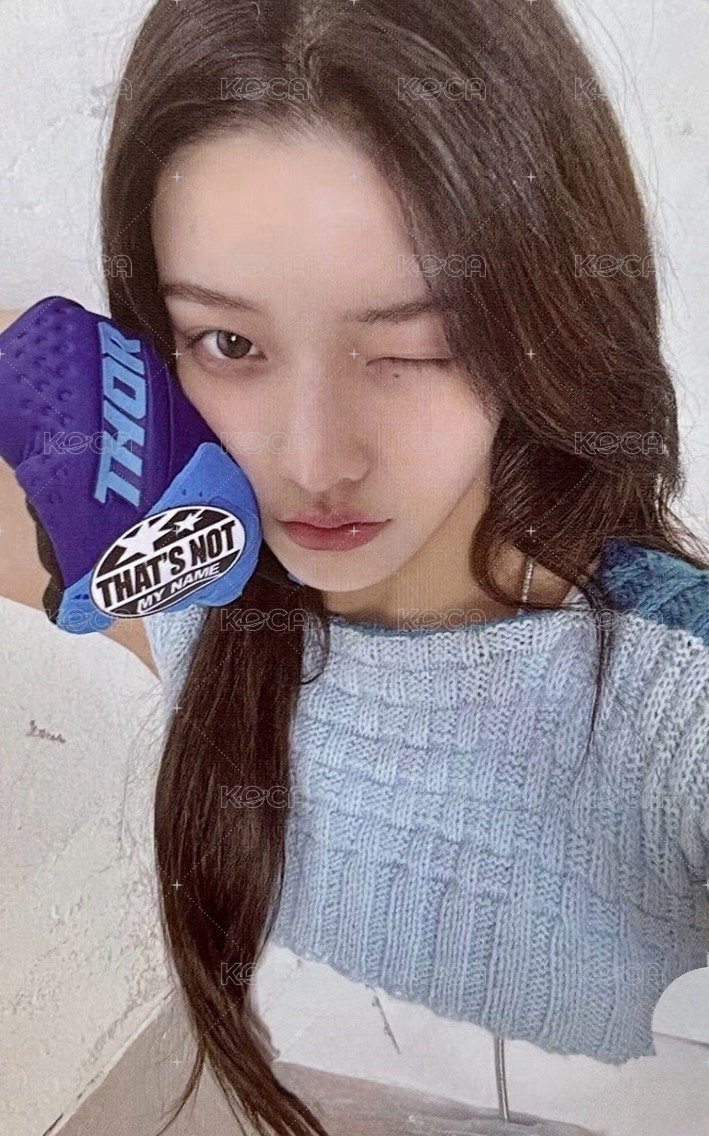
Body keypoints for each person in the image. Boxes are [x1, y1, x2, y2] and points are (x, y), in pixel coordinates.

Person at [1, 2, 708, 1135]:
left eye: (417, 344)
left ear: (553, 313)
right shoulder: (194, 595)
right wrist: (49, 382)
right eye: (231, 342)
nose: (315, 461)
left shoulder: (672, 696)